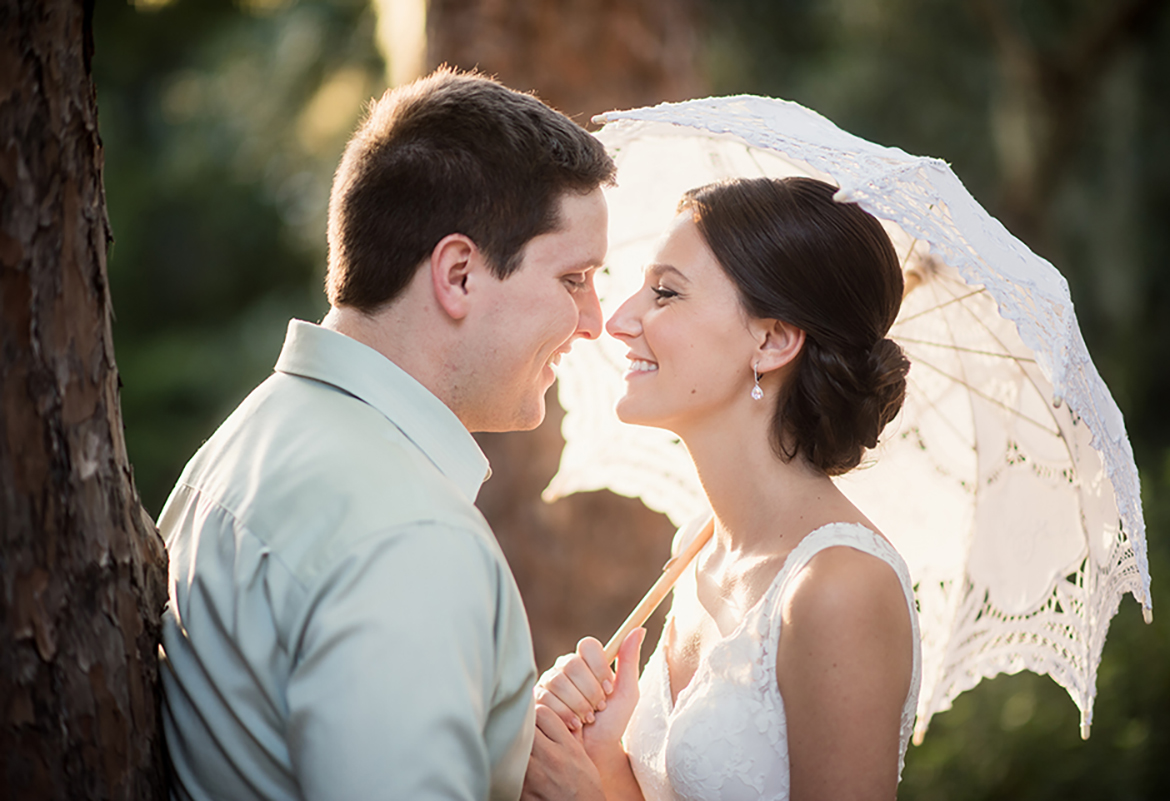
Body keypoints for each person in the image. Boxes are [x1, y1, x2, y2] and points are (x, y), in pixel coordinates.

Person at [156, 67, 615, 801]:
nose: (593, 320)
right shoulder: (412, 538)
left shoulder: (251, 435)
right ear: (459, 274)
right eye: (573, 279)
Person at [524, 176, 922, 801]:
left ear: (771, 340)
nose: (621, 320)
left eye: (666, 293)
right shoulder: (699, 545)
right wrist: (603, 761)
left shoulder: (838, 588)